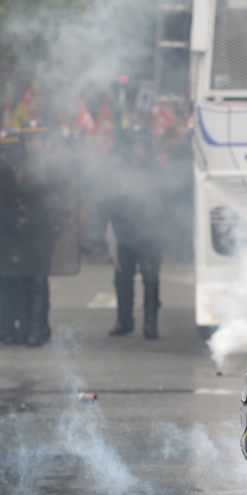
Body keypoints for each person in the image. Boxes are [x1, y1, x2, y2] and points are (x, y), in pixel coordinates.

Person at [104, 127, 167, 339]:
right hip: (125, 232)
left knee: (150, 281)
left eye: (141, 144)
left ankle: (150, 324)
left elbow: (165, 200)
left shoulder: (156, 170)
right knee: (122, 279)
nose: (137, 149)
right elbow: (108, 201)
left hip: (150, 233)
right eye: (134, 144)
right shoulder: (119, 170)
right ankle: (124, 320)